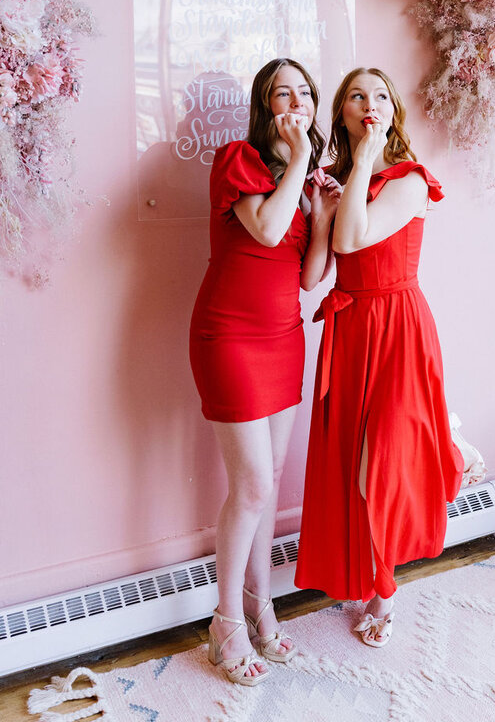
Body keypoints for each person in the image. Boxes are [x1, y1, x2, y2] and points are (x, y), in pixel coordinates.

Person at [294, 67, 463, 647]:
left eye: (381, 97)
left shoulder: (410, 179)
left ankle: (385, 589)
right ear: (340, 112)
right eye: (357, 98)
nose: (370, 104)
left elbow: (353, 241)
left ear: (393, 112)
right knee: (350, 464)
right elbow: (317, 271)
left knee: (380, 464)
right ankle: (368, 578)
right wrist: (323, 207)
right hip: (351, 329)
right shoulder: (340, 179)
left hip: (398, 328)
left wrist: (362, 160)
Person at [189, 57, 341, 684]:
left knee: (270, 482)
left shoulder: (302, 182)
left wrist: (325, 218)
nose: (298, 103)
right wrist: (302, 164)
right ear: (265, 105)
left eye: (306, 93)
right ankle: (226, 624)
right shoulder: (238, 160)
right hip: (228, 337)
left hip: (284, 338)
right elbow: (266, 226)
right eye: (284, 93)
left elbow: (308, 277)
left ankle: (262, 608)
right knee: (251, 485)